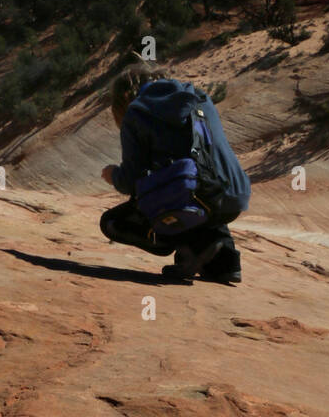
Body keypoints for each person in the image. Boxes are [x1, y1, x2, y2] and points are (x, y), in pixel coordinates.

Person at [100, 63, 251, 284]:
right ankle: (225, 263)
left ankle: (187, 248)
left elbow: (131, 181)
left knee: (112, 222)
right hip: (235, 194)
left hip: (201, 199)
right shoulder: (200, 97)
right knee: (196, 181)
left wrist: (113, 174)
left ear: (125, 96)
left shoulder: (137, 111)